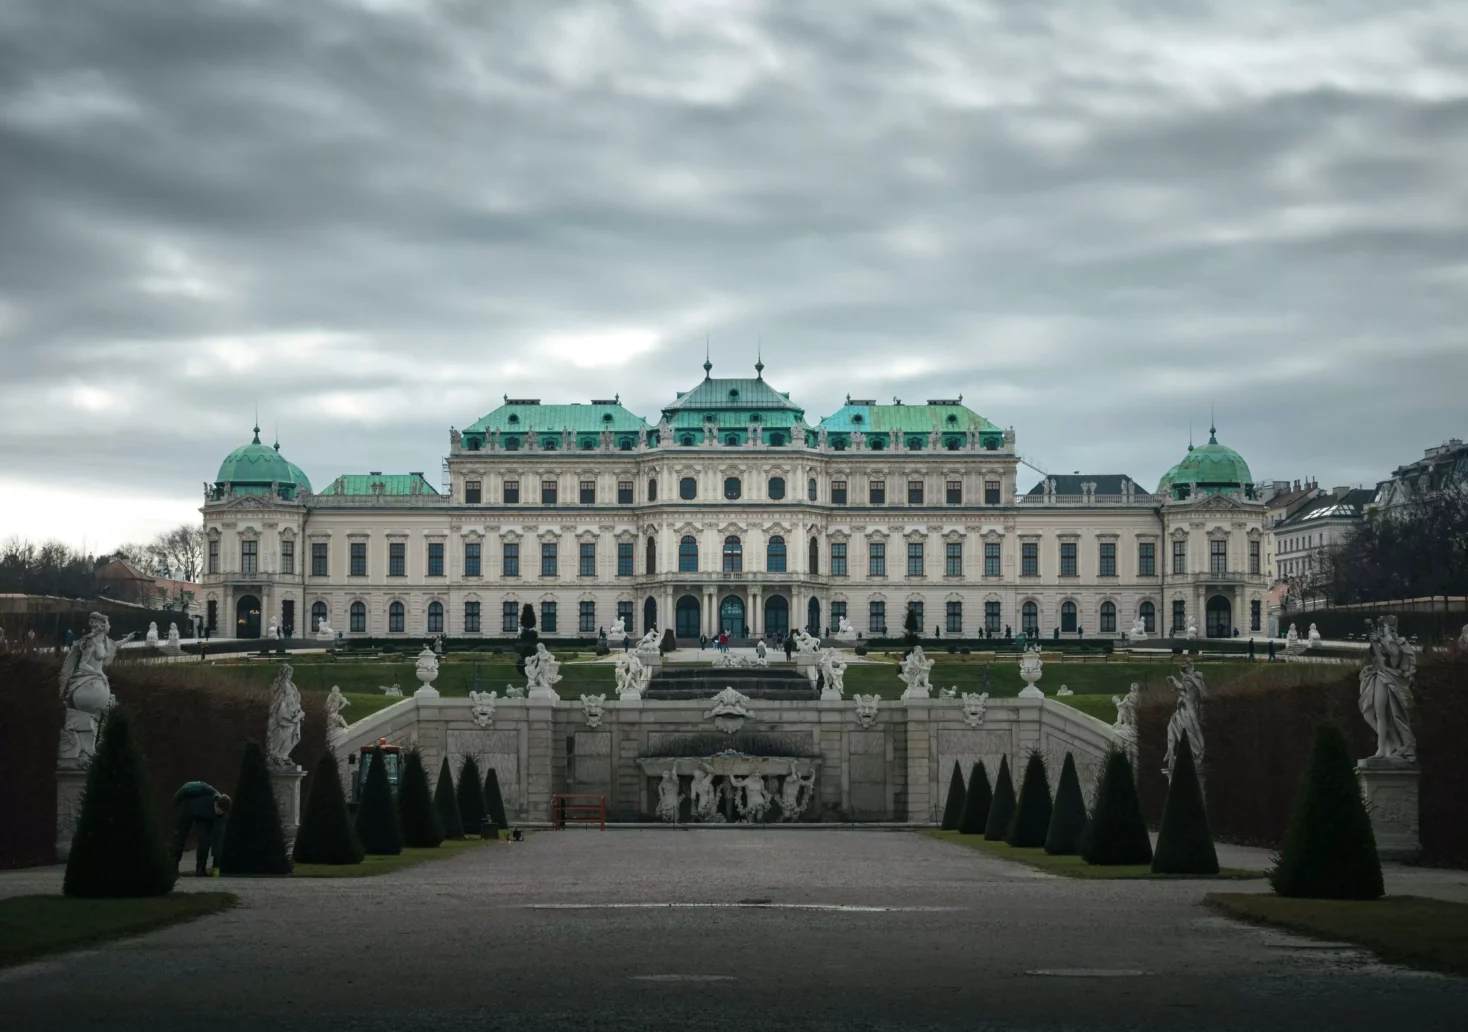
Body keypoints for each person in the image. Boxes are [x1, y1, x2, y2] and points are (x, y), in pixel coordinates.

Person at [171, 781, 231, 876]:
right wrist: (176, 802)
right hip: (187, 810)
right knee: (179, 839)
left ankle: (200, 869)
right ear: (215, 803)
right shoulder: (205, 791)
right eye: (218, 810)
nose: (218, 813)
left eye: (221, 813)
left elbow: (218, 838)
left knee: (205, 841)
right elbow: (186, 787)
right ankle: (172, 867)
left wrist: (216, 864)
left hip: (203, 818)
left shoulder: (220, 816)